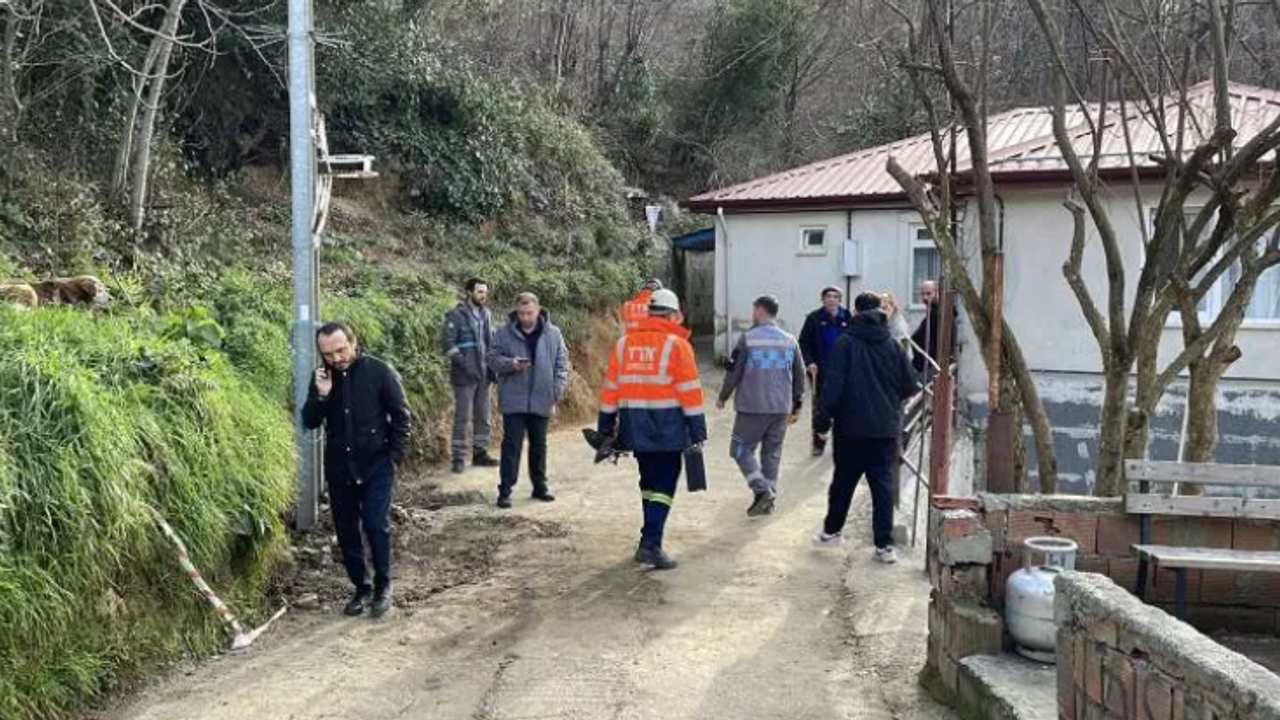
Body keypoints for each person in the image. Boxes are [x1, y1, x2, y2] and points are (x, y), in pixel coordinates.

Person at [302, 323, 411, 617]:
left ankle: (383, 587)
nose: (336, 358)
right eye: (328, 354)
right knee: (346, 530)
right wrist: (322, 395)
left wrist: (394, 457)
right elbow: (309, 420)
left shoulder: (379, 371)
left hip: (377, 465)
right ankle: (361, 588)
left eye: (341, 350)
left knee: (375, 524)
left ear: (353, 342)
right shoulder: (322, 378)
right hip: (340, 469)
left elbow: (402, 417)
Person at [598, 288, 706, 570]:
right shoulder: (678, 346)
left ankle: (648, 539)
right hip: (668, 427)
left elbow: (610, 390)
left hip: (634, 427)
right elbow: (690, 393)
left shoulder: (623, 345)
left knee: (648, 483)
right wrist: (698, 432)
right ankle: (650, 544)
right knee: (665, 484)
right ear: (673, 316)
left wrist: (605, 428)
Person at [812, 294, 919, 564]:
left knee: (843, 483)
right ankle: (884, 546)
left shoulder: (845, 343)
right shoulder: (892, 344)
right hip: (885, 429)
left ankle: (831, 533)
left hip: (850, 429)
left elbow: (833, 388)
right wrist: (890, 401)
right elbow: (910, 385)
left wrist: (822, 423)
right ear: (880, 312)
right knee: (882, 486)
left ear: (856, 311)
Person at [717, 295, 806, 517]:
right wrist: (796, 403)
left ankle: (762, 490)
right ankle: (768, 499)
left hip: (752, 407)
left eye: (753, 310)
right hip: (781, 408)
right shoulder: (790, 340)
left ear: (759, 311)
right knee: (772, 453)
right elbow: (800, 374)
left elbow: (733, 372)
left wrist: (723, 396)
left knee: (739, 449)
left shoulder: (748, 339)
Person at [489, 293, 571, 509]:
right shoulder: (503, 333)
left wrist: (555, 392)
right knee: (511, 446)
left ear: (538, 310)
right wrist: (512, 364)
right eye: (522, 313)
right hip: (513, 399)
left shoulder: (554, 334)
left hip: (542, 398)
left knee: (539, 445)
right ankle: (505, 491)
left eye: (529, 313)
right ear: (516, 312)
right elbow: (492, 360)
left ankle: (540, 487)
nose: (525, 317)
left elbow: (562, 365)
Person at [443, 278, 498, 474]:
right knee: (462, 416)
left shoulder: (486, 314)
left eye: (485, 292)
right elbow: (448, 345)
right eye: (480, 292)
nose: (483, 295)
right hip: (464, 376)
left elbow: (491, 342)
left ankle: (480, 453)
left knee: (483, 415)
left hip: (484, 374)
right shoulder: (456, 315)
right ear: (469, 292)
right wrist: (466, 365)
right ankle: (458, 458)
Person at [797, 286, 852, 457]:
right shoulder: (814, 318)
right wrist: (809, 362)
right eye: (828, 296)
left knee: (844, 409)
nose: (832, 299)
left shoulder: (848, 318)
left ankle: (842, 444)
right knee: (821, 409)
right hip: (820, 372)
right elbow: (803, 344)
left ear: (840, 300)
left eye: (835, 297)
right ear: (822, 299)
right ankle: (818, 443)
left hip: (844, 372)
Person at [911, 280, 943, 375]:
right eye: (922, 294)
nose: (925, 297)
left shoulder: (938, 315)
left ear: (937, 293)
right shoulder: (931, 313)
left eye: (929, 294)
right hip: (923, 365)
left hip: (930, 368)